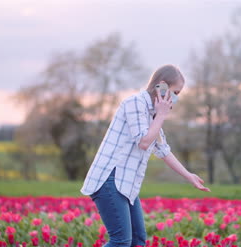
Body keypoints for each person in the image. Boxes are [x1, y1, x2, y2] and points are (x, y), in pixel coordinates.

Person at [80, 64, 211, 247]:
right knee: (121, 241)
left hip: (126, 184)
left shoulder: (152, 114)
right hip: (109, 179)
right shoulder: (135, 103)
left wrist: (189, 176)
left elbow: (163, 150)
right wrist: (162, 115)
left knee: (138, 241)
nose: (175, 98)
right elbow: (143, 142)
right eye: (176, 92)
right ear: (162, 86)